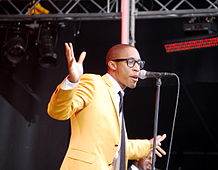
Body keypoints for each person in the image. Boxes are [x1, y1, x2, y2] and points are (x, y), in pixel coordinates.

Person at [47, 42, 166, 170]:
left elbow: (119, 146)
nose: (137, 68)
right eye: (131, 62)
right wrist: (72, 82)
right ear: (112, 64)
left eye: (139, 63)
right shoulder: (94, 83)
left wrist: (148, 145)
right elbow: (58, 112)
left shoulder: (118, 96)